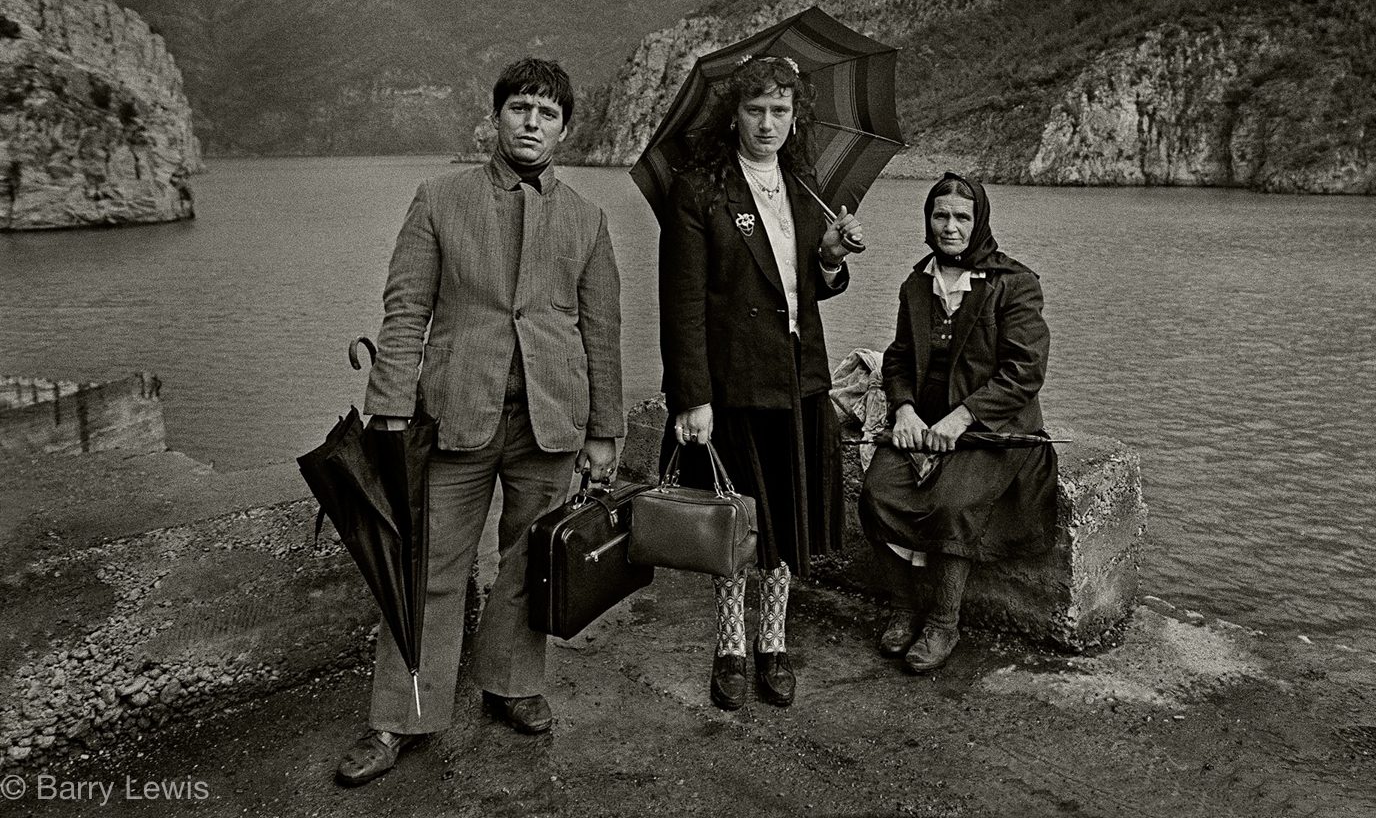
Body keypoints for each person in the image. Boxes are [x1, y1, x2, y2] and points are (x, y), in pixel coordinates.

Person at [336, 58, 624, 787]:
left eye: (548, 113)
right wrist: (390, 410)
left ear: (565, 128)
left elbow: (602, 329)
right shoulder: (439, 198)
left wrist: (604, 430)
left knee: (531, 562)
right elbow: (405, 312)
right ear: (496, 116)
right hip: (454, 415)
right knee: (430, 568)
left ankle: (511, 683)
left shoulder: (588, 218)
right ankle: (400, 716)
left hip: (551, 420)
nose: (532, 122)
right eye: (521, 107)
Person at [658, 55, 863, 711]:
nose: (768, 123)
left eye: (780, 110)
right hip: (734, 385)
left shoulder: (804, 185)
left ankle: (772, 643)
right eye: (755, 110)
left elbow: (809, 288)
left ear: (794, 115)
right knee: (735, 524)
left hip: (798, 382)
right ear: (734, 114)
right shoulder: (699, 189)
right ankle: (730, 647)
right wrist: (692, 399)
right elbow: (682, 303)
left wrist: (830, 259)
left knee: (785, 524)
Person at [859, 171, 1055, 674]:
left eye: (961, 217)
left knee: (953, 501)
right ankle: (905, 609)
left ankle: (944, 622)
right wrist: (904, 410)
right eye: (940, 215)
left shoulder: (1014, 284)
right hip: (922, 425)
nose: (950, 226)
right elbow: (899, 358)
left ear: (979, 221)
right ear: (928, 221)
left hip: (996, 431)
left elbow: (1024, 372)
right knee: (878, 491)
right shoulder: (916, 283)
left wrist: (961, 418)